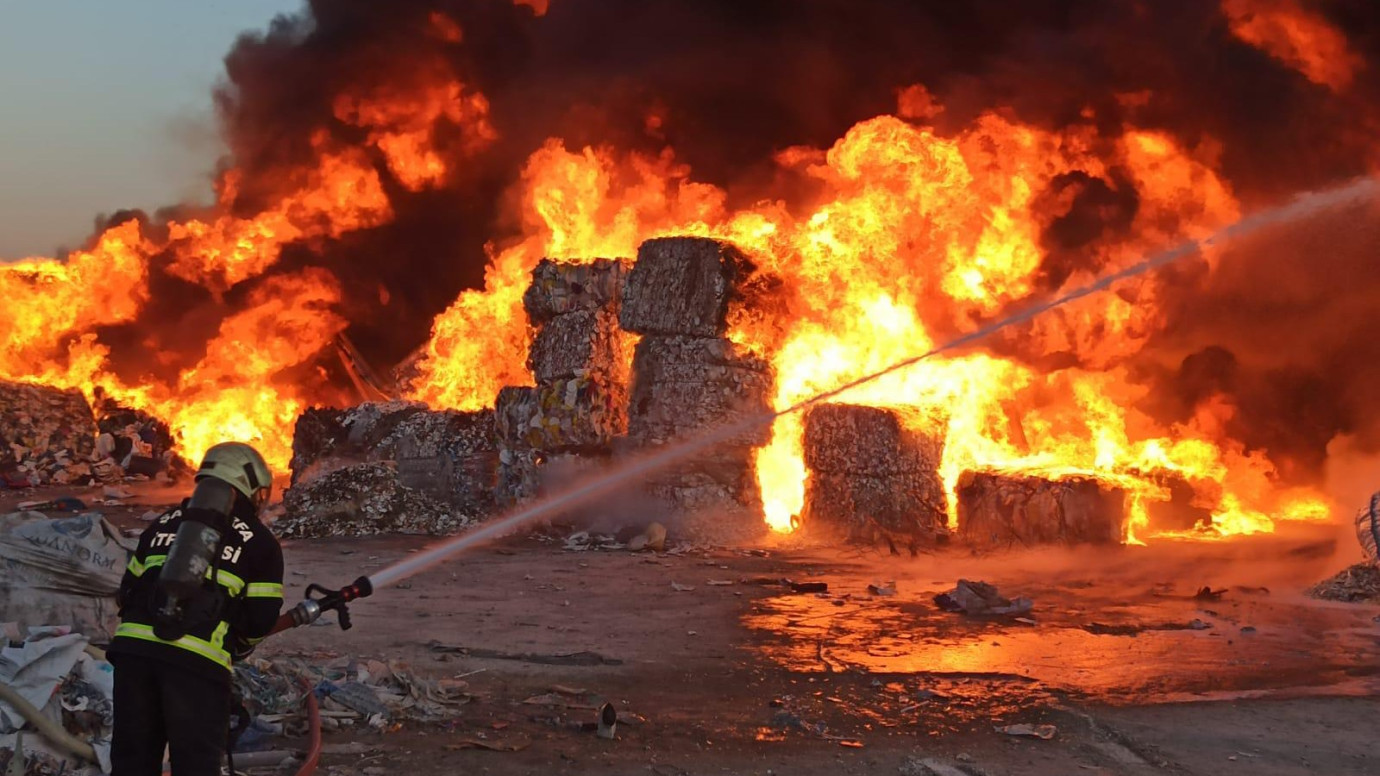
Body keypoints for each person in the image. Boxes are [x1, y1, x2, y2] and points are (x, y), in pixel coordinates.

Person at [108, 442, 284, 775]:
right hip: (196, 665)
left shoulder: (162, 523)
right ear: (249, 487)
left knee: (132, 763)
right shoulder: (260, 542)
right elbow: (260, 620)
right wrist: (238, 645)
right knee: (195, 766)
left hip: (132, 656)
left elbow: (127, 592)